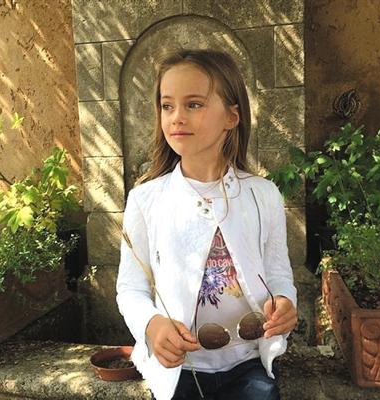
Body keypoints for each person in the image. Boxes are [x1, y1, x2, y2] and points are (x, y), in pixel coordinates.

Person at [116, 49, 298, 400]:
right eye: (167, 106)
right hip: (178, 370)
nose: (177, 117)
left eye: (194, 104)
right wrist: (152, 325)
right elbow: (131, 288)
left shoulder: (263, 196)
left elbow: (277, 274)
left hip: (248, 364)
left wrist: (285, 302)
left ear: (232, 116)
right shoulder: (145, 200)